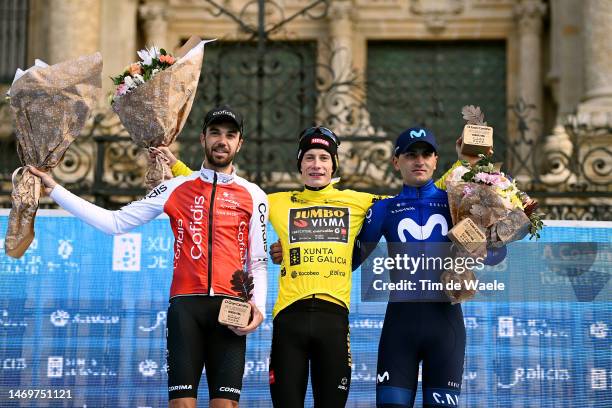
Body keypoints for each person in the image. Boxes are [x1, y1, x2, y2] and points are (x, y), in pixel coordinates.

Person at [29, 105, 269, 408]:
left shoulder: (254, 195)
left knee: (226, 406)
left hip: (231, 308)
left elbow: (258, 261)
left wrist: (258, 308)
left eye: (230, 135)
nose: (222, 141)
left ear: (239, 143)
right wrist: (55, 190)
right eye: (215, 133)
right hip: (186, 308)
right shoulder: (175, 187)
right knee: (181, 404)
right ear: (202, 139)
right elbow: (114, 223)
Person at [161, 126, 383, 407]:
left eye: (324, 158)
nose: (316, 165)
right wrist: (176, 166)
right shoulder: (275, 201)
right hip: (289, 319)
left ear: (334, 165)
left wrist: (458, 177)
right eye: (309, 158)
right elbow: (224, 186)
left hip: (334, 318)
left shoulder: (359, 201)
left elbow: (409, 202)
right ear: (300, 164)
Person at [352, 127, 499, 408]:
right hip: (399, 328)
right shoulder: (384, 209)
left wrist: (487, 240)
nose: (419, 161)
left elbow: (495, 254)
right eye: (410, 155)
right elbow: (349, 262)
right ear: (396, 162)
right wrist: (295, 249)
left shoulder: (456, 201)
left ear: (435, 160)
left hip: (445, 326)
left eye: (426, 154)